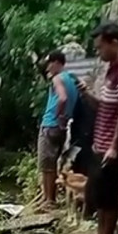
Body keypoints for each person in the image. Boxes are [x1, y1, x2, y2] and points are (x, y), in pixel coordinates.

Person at [77, 22, 118, 234]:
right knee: (100, 193)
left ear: (114, 42)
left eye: (101, 47)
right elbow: (105, 108)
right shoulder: (113, 69)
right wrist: (86, 93)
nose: (99, 52)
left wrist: (114, 146)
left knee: (109, 194)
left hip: (113, 148)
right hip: (101, 144)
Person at [38, 51, 79, 210]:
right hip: (61, 127)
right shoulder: (71, 79)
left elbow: (62, 98)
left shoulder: (58, 78)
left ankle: (49, 200)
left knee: (46, 165)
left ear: (57, 63)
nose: (48, 67)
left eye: (50, 63)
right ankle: (48, 198)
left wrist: (58, 115)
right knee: (53, 163)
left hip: (51, 124)